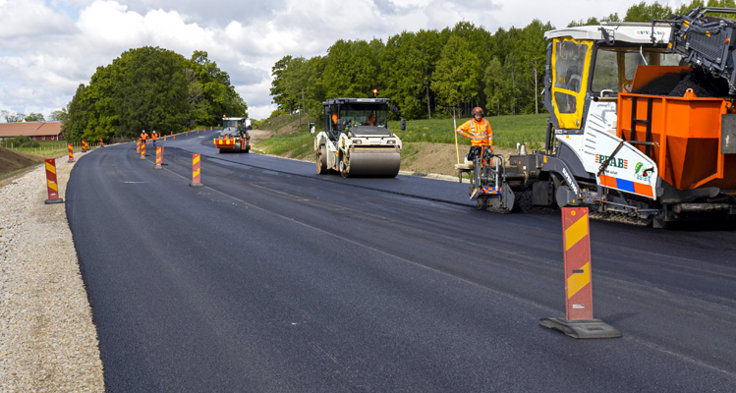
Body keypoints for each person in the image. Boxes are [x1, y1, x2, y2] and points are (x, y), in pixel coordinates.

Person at [456, 107, 493, 198]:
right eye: (477, 115)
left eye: (480, 115)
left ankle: (487, 183)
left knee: (487, 165)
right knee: (477, 166)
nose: (478, 116)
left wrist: (490, 146)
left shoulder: (486, 122)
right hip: (476, 148)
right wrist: (468, 136)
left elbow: (490, 134)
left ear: (482, 115)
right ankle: (478, 186)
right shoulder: (470, 123)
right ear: (474, 115)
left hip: (485, 147)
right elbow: (459, 130)